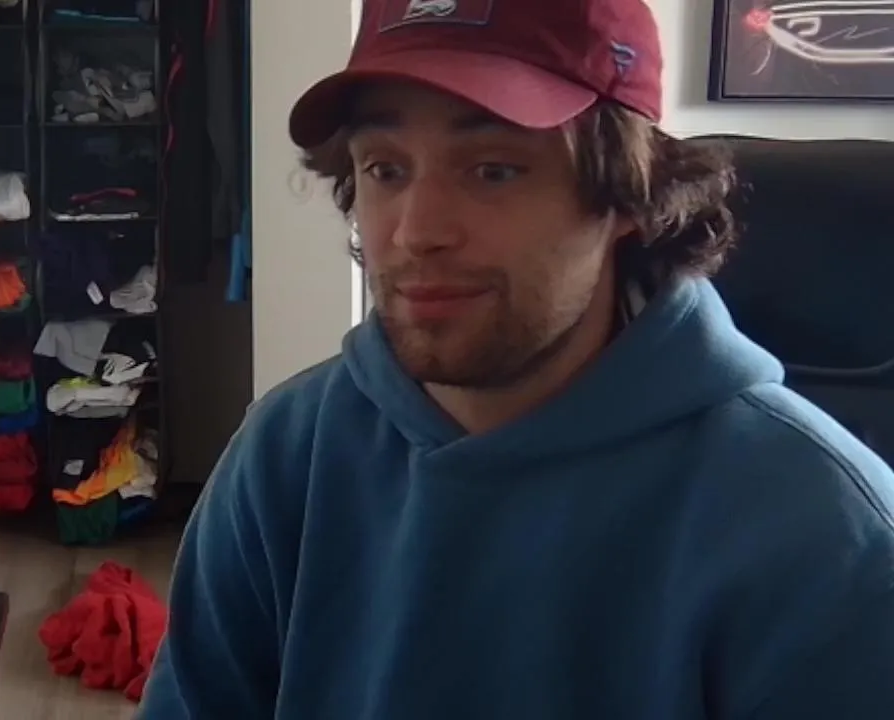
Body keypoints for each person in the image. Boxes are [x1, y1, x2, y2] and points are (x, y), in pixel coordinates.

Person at [139, 0, 894, 717]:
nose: (415, 233)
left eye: (493, 169)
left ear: (628, 197)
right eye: (385, 169)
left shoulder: (824, 537)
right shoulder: (287, 453)